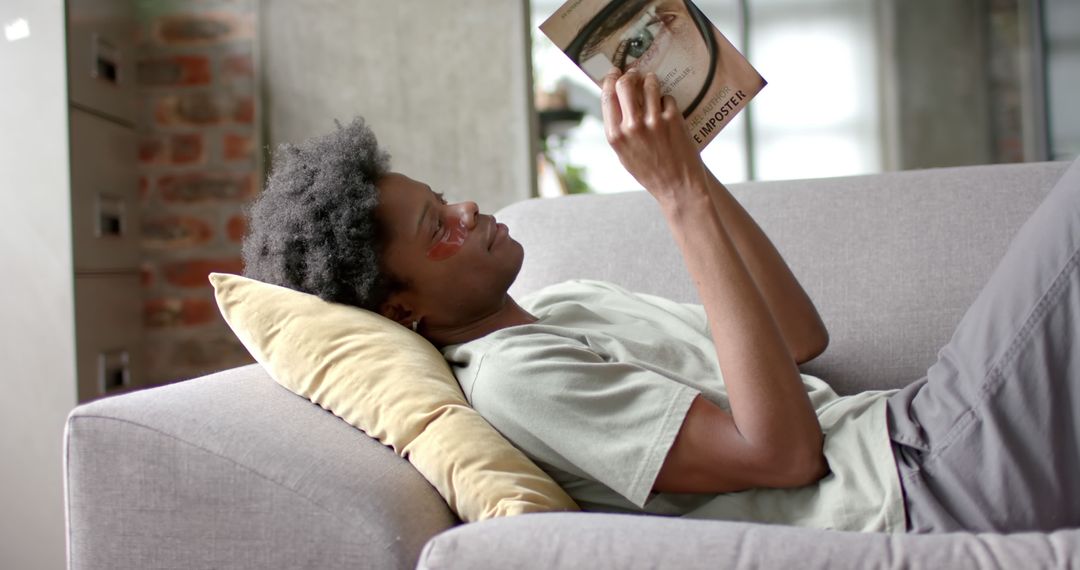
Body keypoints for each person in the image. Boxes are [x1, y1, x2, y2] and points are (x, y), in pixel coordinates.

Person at [242, 67, 1080, 534]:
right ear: (401, 310)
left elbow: (797, 337)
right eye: (438, 229)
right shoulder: (515, 381)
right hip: (917, 484)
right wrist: (673, 196)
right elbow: (784, 456)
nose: (466, 211)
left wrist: (696, 173)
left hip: (911, 431)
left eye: (446, 197)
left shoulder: (567, 303)